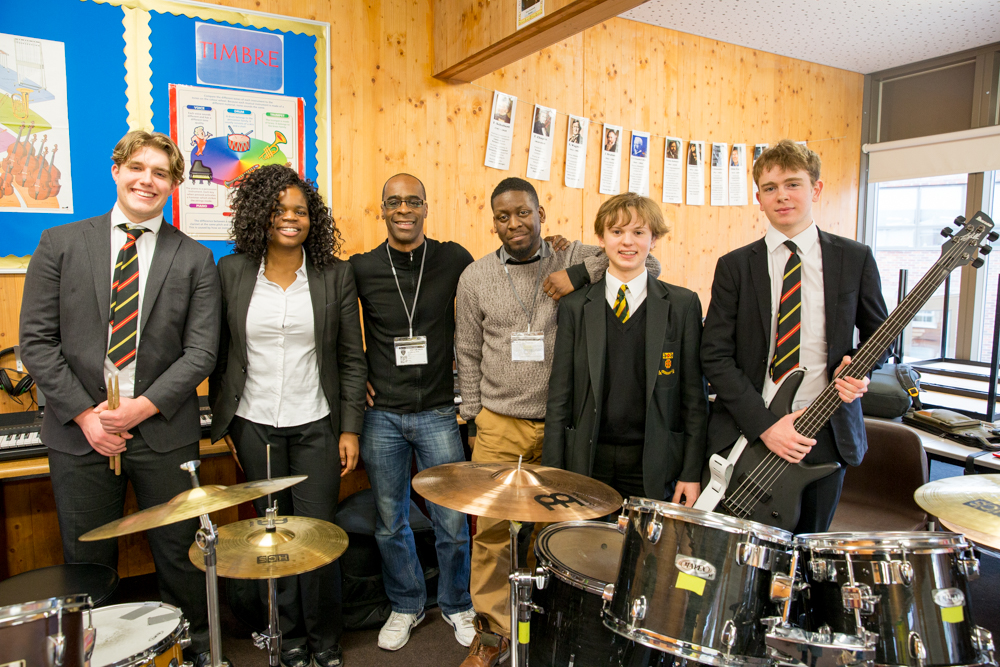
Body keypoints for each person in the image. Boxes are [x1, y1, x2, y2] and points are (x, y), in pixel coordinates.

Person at [19, 130, 220, 666]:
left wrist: (141, 407)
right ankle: (90, 655)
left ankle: (191, 648)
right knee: (87, 560)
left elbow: (201, 353)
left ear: (175, 184)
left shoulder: (196, 258)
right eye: (138, 168)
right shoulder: (60, 244)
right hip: (79, 435)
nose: (146, 180)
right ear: (116, 170)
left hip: (163, 432)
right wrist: (87, 415)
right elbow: (36, 342)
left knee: (181, 556)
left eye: (160, 173)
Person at [455, 177, 660, 667]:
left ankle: (542, 617)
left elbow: (647, 262)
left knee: (555, 529)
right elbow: (465, 349)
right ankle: (492, 630)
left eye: (523, 212)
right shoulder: (475, 276)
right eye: (503, 216)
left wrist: (582, 275)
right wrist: (473, 414)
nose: (514, 224)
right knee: (492, 533)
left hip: (566, 424)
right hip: (500, 421)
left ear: (541, 211)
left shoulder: (571, 258)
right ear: (494, 221)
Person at [209, 164, 366, 667]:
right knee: (273, 535)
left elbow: (350, 357)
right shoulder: (232, 271)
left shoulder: (333, 274)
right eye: (279, 210)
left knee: (317, 536)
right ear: (260, 215)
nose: (290, 218)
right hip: (255, 424)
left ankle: (325, 640)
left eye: (300, 210)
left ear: (312, 218)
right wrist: (226, 423)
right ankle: (290, 636)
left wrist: (349, 428)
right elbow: (219, 353)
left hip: (317, 423)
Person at [700, 140, 889, 534]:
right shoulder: (734, 266)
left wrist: (861, 369)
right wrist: (766, 426)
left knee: (810, 551)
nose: (781, 196)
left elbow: (880, 337)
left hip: (825, 430)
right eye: (770, 188)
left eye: (793, 184)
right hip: (748, 430)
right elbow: (714, 355)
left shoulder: (854, 258)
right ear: (758, 198)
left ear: (815, 189)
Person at [348, 174, 477, 652]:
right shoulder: (360, 267)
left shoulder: (454, 258)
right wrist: (353, 372)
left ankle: (457, 601)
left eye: (413, 201)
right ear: (382, 209)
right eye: (394, 202)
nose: (404, 209)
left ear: (427, 207)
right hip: (380, 415)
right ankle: (406, 605)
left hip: (440, 411)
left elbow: (500, 282)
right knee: (390, 521)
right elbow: (337, 328)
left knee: (452, 521)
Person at [543, 193, 707, 503]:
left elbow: (694, 400)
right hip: (588, 461)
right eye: (616, 232)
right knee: (586, 550)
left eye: (638, 232)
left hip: (655, 463)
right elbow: (559, 396)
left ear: (654, 239)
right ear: (602, 240)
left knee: (649, 552)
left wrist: (690, 472)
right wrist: (553, 471)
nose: (626, 242)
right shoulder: (576, 306)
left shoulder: (683, 305)